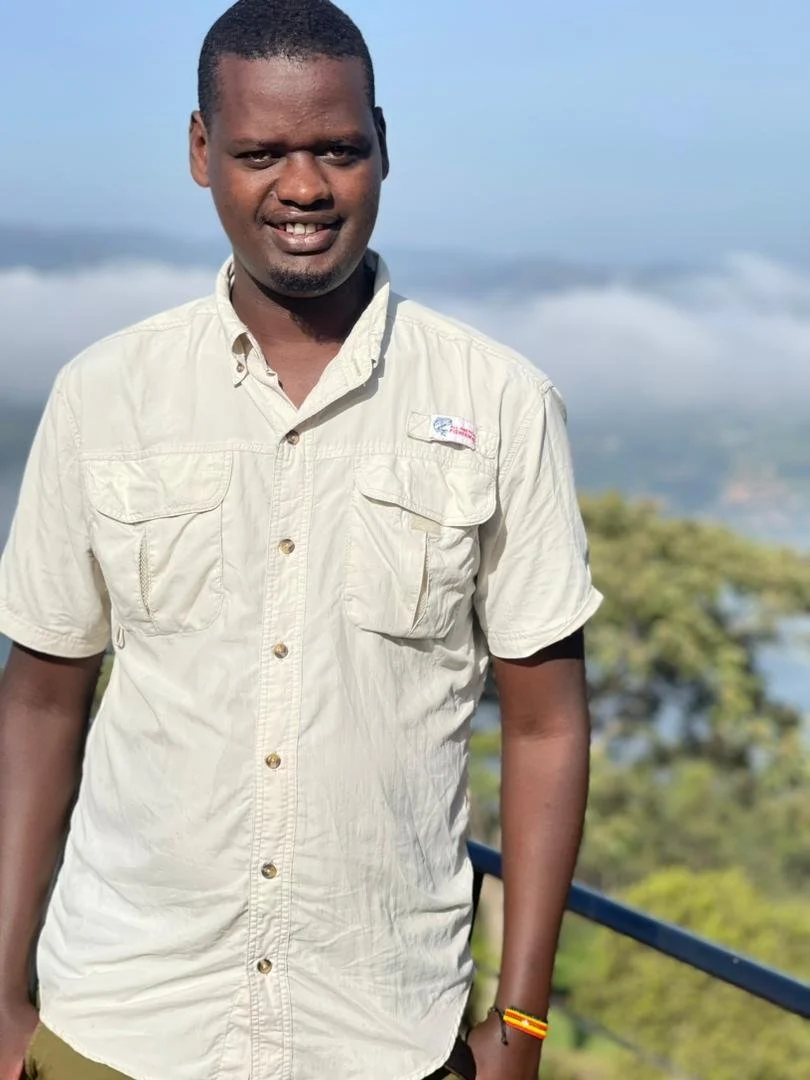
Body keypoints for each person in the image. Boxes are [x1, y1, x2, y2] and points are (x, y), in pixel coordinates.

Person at [0, 1, 603, 1078]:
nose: (305, 187)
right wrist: (0, 991)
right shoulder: (102, 395)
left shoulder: (502, 402)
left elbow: (548, 727)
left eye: (337, 148)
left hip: (380, 1034)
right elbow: (42, 697)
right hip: (120, 1021)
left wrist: (520, 1026)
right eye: (260, 152)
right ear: (200, 152)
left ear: (383, 143)